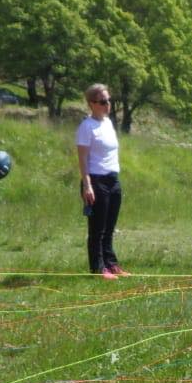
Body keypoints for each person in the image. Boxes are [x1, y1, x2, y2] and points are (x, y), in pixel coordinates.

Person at [78, 83, 128, 280]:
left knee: (109, 226)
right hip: (96, 181)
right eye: (103, 102)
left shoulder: (108, 123)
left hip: (112, 179)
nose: (108, 105)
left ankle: (111, 263)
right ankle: (98, 268)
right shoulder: (86, 127)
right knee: (97, 228)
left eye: (109, 101)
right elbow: (82, 159)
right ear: (92, 104)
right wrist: (87, 185)